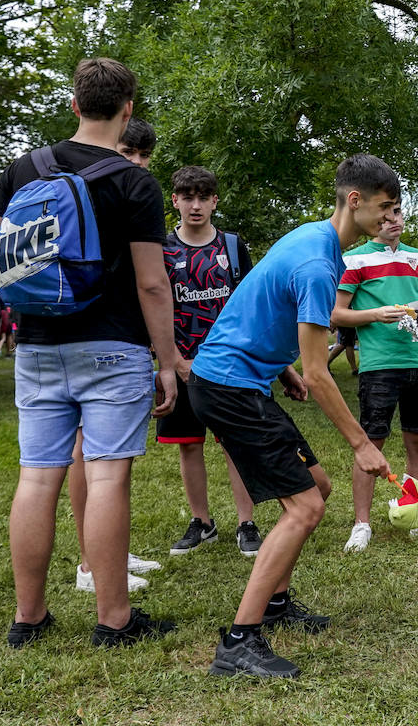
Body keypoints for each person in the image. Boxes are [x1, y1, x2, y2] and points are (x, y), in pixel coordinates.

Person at [0, 57, 179, 648]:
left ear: (74, 105)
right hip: (113, 347)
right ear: (128, 109)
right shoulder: (135, 182)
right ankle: (114, 619)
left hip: (37, 346)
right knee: (108, 475)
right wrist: (166, 361)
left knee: (38, 477)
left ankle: (29, 618)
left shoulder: (22, 169)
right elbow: (151, 283)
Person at [188, 154, 396, 678]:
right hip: (229, 388)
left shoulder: (315, 240)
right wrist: (361, 444)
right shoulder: (318, 263)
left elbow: (261, 309)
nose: (392, 219)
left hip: (239, 380)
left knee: (315, 487)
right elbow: (322, 373)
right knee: (305, 509)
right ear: (355, 201)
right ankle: (240, 642)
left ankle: (277, 604)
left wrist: (284, 372)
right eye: (385, 208)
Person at [67, 117, 162, 594]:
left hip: (105, 338)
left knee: (107, 459)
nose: (137, 164)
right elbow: (149, 280)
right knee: (93, 457)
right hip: (100, 341)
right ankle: (91, 566)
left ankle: (108, 555)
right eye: (129, 151)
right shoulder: (107, 191)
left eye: (144, 156)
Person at [159, 166, 263, 559]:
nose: (196, 205)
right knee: (189, 445)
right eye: (188, 197)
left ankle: (245, 522)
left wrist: (275, 365)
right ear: (176, 201)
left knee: (234, 444)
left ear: (215, 201)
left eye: (204, 197)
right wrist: (173, 362)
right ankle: (202, 522)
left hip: (230, 367)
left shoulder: (233, 247)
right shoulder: (163, 250)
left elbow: (252, 306)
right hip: (183, 364)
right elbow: (157, 307)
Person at [331, 201, 418, 552]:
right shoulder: (354, 259)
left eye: (399, 214)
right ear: (375, 219)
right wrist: (376, 313)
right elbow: (336, 314)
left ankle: (417, 514)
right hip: (379, 365)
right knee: (370, 444)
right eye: (387, 215)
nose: (394, 221)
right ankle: (362, 524)